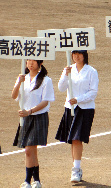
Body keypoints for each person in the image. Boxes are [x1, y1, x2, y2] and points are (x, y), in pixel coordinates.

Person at [55, 50, 99, 183]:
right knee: (72, 140)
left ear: (84, 55)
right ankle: (76, 167)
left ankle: (76, 169)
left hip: (85, 108)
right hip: (70, 108)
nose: (76, 56)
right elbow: (61, 88)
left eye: (79, 54)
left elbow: (93, 92)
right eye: (74, 54)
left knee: (77, 139)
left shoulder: (91, 71)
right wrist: (65, 75)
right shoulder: (69, 69)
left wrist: (78, 99)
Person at [11, 60, 55, 188]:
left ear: (40, 63)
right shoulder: (22, 78)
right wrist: (19, 82)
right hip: (25, 118)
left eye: (34, 61)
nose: (30, 64)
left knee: (29, 150)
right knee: (32, 151)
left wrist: (29, 111)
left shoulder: (46, 80)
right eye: (28, 61)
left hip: (38, 117)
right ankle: (36, 180)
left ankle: (26, 181)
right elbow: (14, 96)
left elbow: (45, 101)